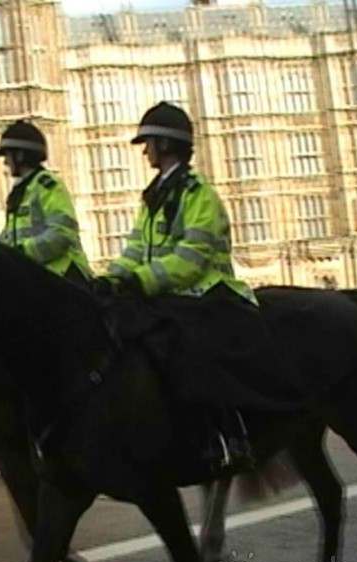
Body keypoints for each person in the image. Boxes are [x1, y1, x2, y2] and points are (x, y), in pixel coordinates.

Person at [94, 102, 286, 473]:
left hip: (207, 292)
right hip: (168, 293)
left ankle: (230, 435)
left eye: (148, 142)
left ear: (165, 146)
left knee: (192, 348)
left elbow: (192, 257)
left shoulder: (200, 195)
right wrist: (112, 277)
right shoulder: (154, 197)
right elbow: (136, 248)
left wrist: (142, 279)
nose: (145, 150)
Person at [0, 120, 92, 284]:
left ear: (20, 155)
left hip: (64, 278)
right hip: (38, 279)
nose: (5, 162)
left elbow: (62, 234)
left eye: (8, 155)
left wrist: (21, 253)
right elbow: (12, 238)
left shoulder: (48, 185)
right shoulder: (21, 192)